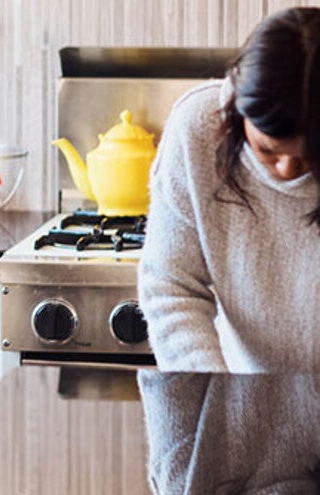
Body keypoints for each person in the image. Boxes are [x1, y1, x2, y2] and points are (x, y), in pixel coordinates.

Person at [137, 6, 320, 373]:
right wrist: (212, 397)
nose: (286, 170)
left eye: (309, 157)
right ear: (238, 103)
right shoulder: (199, 128)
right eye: (268, 150)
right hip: (239, 398)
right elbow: (173, 287)